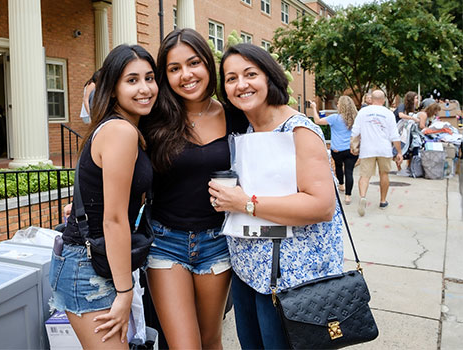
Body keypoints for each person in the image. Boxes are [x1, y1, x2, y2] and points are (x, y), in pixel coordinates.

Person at [209, 43, 344, 349]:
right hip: (248, 272)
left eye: (250, 74)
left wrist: (244, 203)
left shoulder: (299, 131)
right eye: (230, 78)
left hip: (293, 280)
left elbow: (322, 205)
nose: (241, 84)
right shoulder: (247, 132)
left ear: (269, 76)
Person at [141, 28, 248, 349]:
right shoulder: (153, 119)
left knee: (210, 339)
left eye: (193, 63)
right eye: (174, 69)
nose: (186, 75)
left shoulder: (236, 115)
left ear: (208, 66)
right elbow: (117, 163)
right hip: (165, 243)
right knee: (184, 345)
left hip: (218, 243)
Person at [48, 44, 157, 348]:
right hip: (89, 267)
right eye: (132, 80)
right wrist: (124, 293)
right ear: (112, 89)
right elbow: (113, 220)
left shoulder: (118, 128)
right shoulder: (121, 132)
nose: (144, 88)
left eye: (149, 78)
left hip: (93, 261)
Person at [351, 90, 403, 216]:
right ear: (383, 100)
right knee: (384, 174)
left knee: (364, 176)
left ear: (371, 99)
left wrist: (353, 145)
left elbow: (355, 131)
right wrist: (399, 152)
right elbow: (394, 136)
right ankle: (383, 201)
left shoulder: (363, 112)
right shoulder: (388, 113)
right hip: (384, 149)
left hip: (367, 149)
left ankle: (363, 196)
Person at [310, 96, 359, 205]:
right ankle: (348, 196)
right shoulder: (356, 118)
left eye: (338, 104)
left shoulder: (335, 118)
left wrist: (314, 107)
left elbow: (317, 121)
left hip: (337, 149)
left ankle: (341, 185)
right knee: (349, 171)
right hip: (351, 149)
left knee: (338, 167)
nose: (337, 105)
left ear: (341, 106)